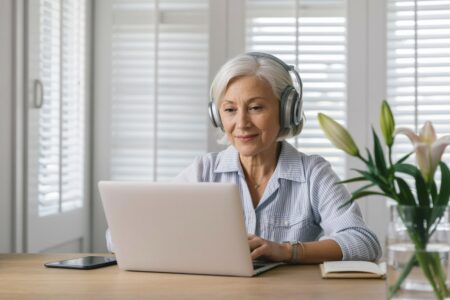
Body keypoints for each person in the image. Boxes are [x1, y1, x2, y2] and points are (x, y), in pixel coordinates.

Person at [106, 52, 381, 263]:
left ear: (287, 111)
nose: (241, 123)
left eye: (256, 107)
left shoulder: (313, 174)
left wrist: (286, 251)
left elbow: (363, 242)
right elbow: (119, 235)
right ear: (217, 115)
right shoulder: (204, 172)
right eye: (229, 110)